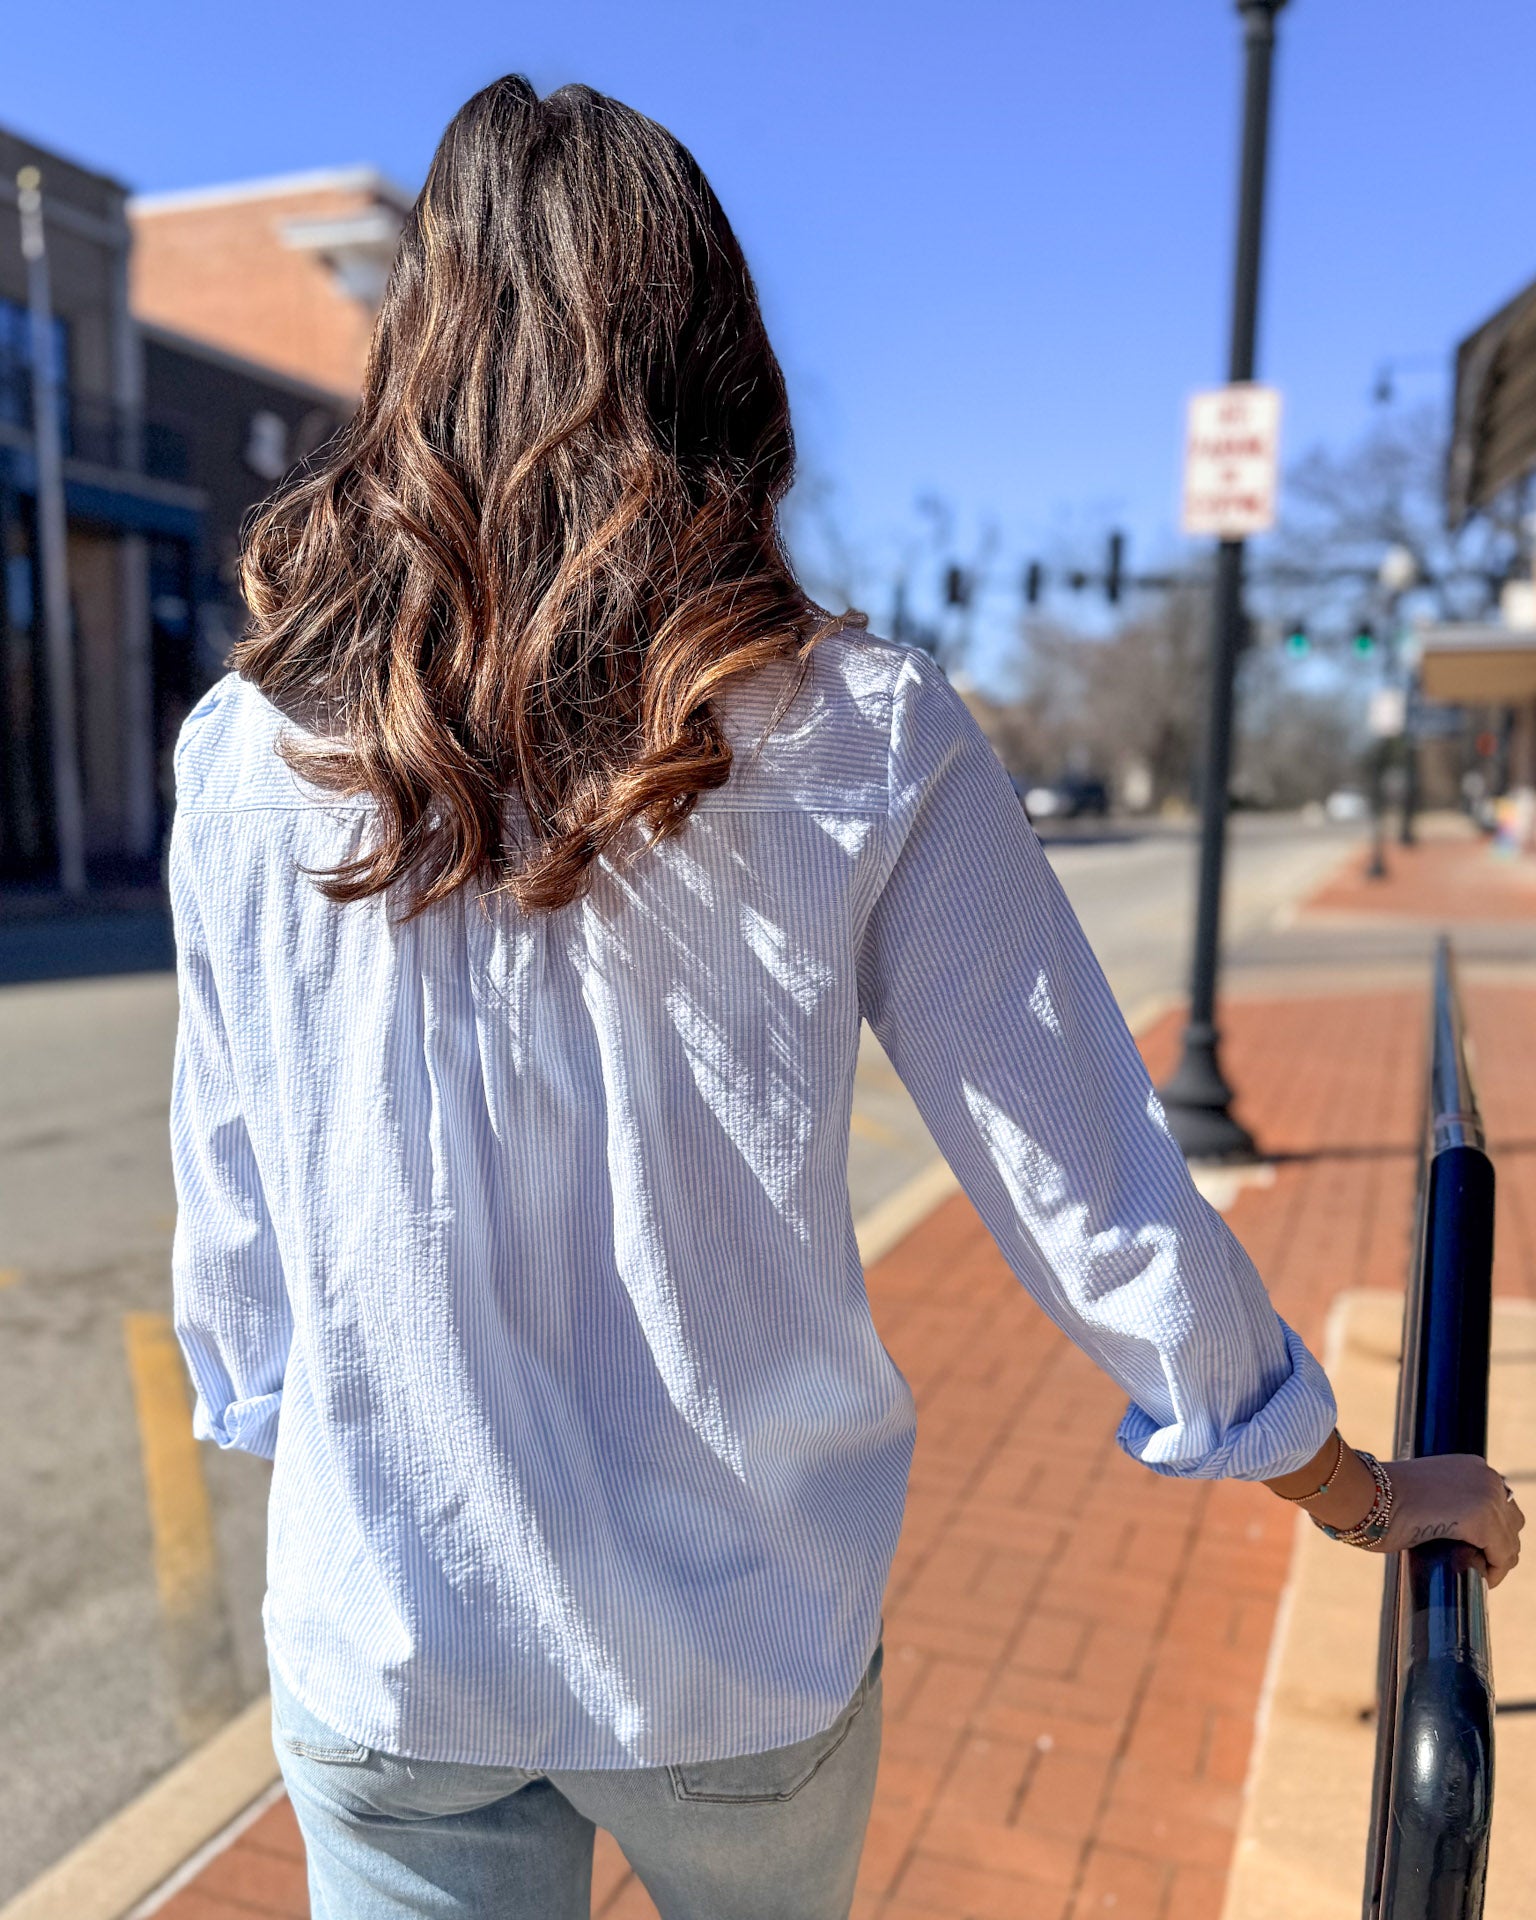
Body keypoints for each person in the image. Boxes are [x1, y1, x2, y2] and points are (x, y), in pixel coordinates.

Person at [167, 76, 1523, 1920]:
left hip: (395, 1633)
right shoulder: (854, 729)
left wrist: (279, 1422)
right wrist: (1347, 1483)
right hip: (739, 1645)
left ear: (416, 354)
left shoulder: (251, 755)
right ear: (715, 356)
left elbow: (233, 1204)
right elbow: (1087, 1178)